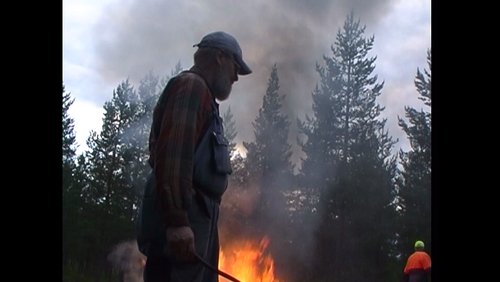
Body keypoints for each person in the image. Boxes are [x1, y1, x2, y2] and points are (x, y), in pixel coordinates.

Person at [137, 31, 252, 282]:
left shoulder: (204, 98)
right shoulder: (191, 87)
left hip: (198, 223)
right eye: (235, 67)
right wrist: (177, 220)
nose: (236, 77)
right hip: (184, 222)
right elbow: (174, 156)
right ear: (220, 58)